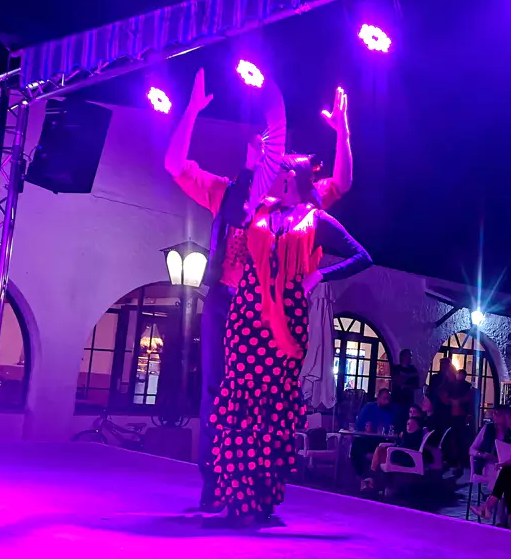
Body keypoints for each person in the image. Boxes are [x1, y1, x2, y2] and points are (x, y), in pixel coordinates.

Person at [165, 69, 355, 513]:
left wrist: (343, 133)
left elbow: (340, 183)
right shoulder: (231, 194)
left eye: (282, 160)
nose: (277, 163)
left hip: (272, 311)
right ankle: (216, 480)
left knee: (265, 398)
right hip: (227, 301)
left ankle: (257, 485)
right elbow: (175, 166)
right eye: (269, 153)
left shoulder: (294, 208)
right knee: (218, 390)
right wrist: (191, 111)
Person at [202, 148, 370, 524]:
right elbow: (230, 210)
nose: (271, 177)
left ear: (291, 178)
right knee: (241, 402)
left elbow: (362, 255)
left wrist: (319, 275)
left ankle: (262, 496)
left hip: (288, 314)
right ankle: (237, 498)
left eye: (276, 171)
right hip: (247, 310)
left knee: (272, 407)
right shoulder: (258, 210)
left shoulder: (315, 218)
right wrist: (249, 163)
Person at [350, 389, 401, 477]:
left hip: (385, 440)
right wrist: (365, 427)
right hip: (369, 439)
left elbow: (394, 427)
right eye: (384, 399)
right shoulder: (369, 407)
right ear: (378, 398)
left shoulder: (392, 410)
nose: (387, 401)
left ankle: (372, 476)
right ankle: (361, 475)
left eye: (388, 399)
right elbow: (359, 424)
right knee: (356, 446)